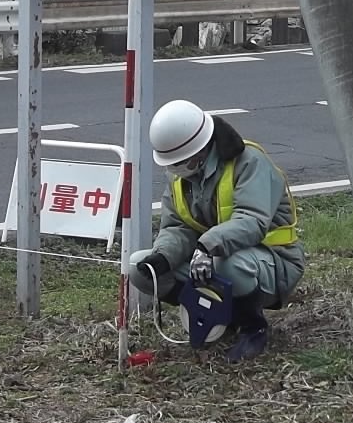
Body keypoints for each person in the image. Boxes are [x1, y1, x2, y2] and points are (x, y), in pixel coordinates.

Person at [129, 99, 304, 362]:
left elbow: (252, 220)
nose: (174, 168)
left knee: (225, 266)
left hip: (273, 261)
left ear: (199, 150)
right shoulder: (180, 176)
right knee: (142, 269)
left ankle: (252, 326)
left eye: (180, 161)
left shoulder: (249, 162)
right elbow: (178, 227)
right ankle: (217, 316)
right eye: (171, 163)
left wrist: (207, 246)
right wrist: (162, 256)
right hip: (211, 257)